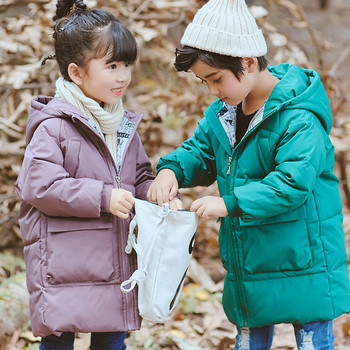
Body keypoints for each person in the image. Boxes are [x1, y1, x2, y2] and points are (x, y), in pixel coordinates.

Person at [147, 0, 350, 349]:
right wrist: (171, 170)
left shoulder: (299, 117)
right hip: (250, 260)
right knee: (248, 339)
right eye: (204, 81)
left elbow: (291, 183)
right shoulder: (223, 115)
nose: (212, 90)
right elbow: (201, 151)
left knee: (314, 340)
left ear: (249, 62)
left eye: (216, 79)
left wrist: (228, 203)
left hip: (304, 259)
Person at [15, 0, 165, 348]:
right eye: (111, 65)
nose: (122, 76)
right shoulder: (53, 126)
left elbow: (136, 176)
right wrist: (102, 197)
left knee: (112, 340)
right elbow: (41, 186)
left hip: (113, 261)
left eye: (126, 64)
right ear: (76, 72)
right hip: (64, 264)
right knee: (59, 342)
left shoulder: (123, 125)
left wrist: (153, 190)